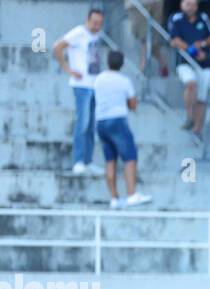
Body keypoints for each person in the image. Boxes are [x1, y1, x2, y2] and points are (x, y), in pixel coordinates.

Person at [92, 52, 152, 209]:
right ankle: (131, 194)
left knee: (109, 160)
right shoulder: (124, 81)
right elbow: (133, 104)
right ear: (122, 64)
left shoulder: (98, 79)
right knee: (129, 157)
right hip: (117, 120)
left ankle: (114, 198)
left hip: (101, 121)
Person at [53, 7, 105, 176]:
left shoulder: (96, 36)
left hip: (94, 84)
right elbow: (57, 47)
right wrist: (68, 69)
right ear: (88, 20)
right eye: (94, 22)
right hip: (81, 85)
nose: (97, 26)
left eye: (100, 23)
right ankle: (78, 161)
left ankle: (88, 160)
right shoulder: (78, 32)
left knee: (91, 125)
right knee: (82, 123)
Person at [168, 0, 210, 136]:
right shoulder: (176, 18)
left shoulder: (204, 17)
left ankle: (197, 127)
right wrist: (193, 52)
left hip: (204, 63)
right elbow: (175, 40)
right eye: (187, 3)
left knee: (202, 97)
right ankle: (189, 116)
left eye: (193, 4)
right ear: (181, 4)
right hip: (185, 61)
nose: (190, 7)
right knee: (191, 84)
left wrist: (201, 44)